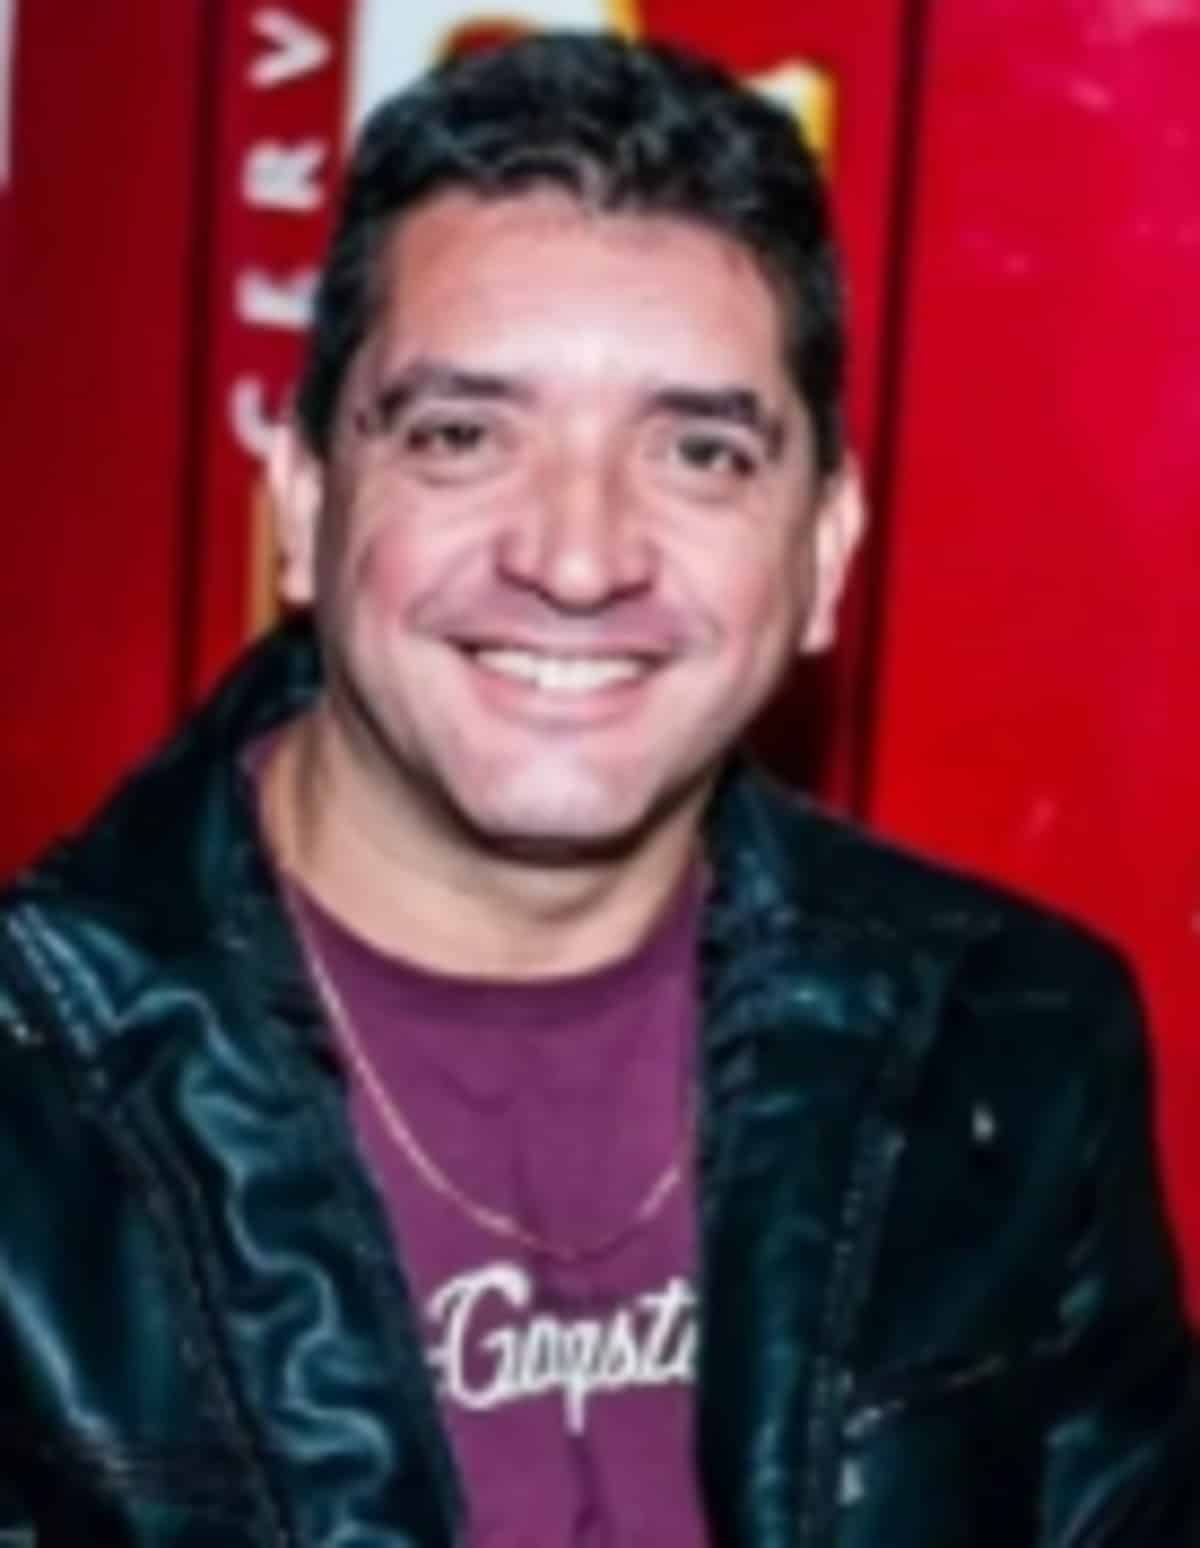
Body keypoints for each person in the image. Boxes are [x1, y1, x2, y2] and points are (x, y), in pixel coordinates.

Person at [0, 32, 1194, 1548]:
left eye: (699, 453)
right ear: (302, 509)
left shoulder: (1013, 1050)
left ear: (823, 552)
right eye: (463, 436)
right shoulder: (32, 1102)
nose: (576, 558)